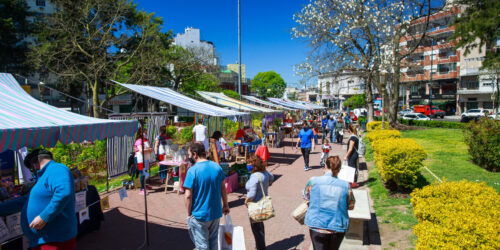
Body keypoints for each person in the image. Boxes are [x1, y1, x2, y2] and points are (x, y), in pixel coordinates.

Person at [0, 149, 77, 249]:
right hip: (44, 240)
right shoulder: (43, 178)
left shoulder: (57, 168)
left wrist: (44, 217)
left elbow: (64, 193)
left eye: (32, 167)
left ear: (35, 162)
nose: (33, 170)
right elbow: (23, 201)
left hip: (55, 240)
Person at [184, 143, 230, 250]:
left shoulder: (192, 171)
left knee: (202, 246)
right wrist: (226, 205)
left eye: (189, 154)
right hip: (215, 213)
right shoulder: (217, 167)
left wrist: (188, 213)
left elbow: (188, 196)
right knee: (214, 243)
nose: (189, 157)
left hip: (199, 214)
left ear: (195, 154)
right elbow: (223, 188)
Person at [303, 156, 355, 250]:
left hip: (317, 225)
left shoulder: (313, 181)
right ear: (339, 169)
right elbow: (351, 206)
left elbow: (306, 197)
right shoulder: (345, 185)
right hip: (337, 227)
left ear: (326, 166)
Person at [245, 156, 274, 250]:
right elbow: (272, 177)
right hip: (263, 203)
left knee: (256, 229)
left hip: (255, 206)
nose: (247, 166)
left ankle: (260, 247)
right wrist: (268, 184)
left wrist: (246, 201)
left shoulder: (254, 177)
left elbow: (252, 194)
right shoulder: (265, 172)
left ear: (254, 165)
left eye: (249, 164)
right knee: (260, 227)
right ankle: (260, 246)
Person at [135, 127, 153, 195]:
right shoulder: (139, 141)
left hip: (146, 159)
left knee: (145, 173)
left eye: (146, 133)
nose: (146, 134)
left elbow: (150, 148)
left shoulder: (146, 140)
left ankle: (144, 185)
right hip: (140, 160)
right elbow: (141, 150)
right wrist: (149, 149)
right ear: (141, 133)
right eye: (145, 133)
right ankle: (142, 189)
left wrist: (149, 149)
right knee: (142, 174)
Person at [344, 124, 360, 188]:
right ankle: (353, 182)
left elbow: (350, 148)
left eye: (348, 129)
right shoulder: (355, 136)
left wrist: (346, 156)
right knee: (353, 168)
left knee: (351, 168)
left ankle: (353, 182)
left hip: (352, 155)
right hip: (354, 154)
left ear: (349, 129)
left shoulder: (352, 138)